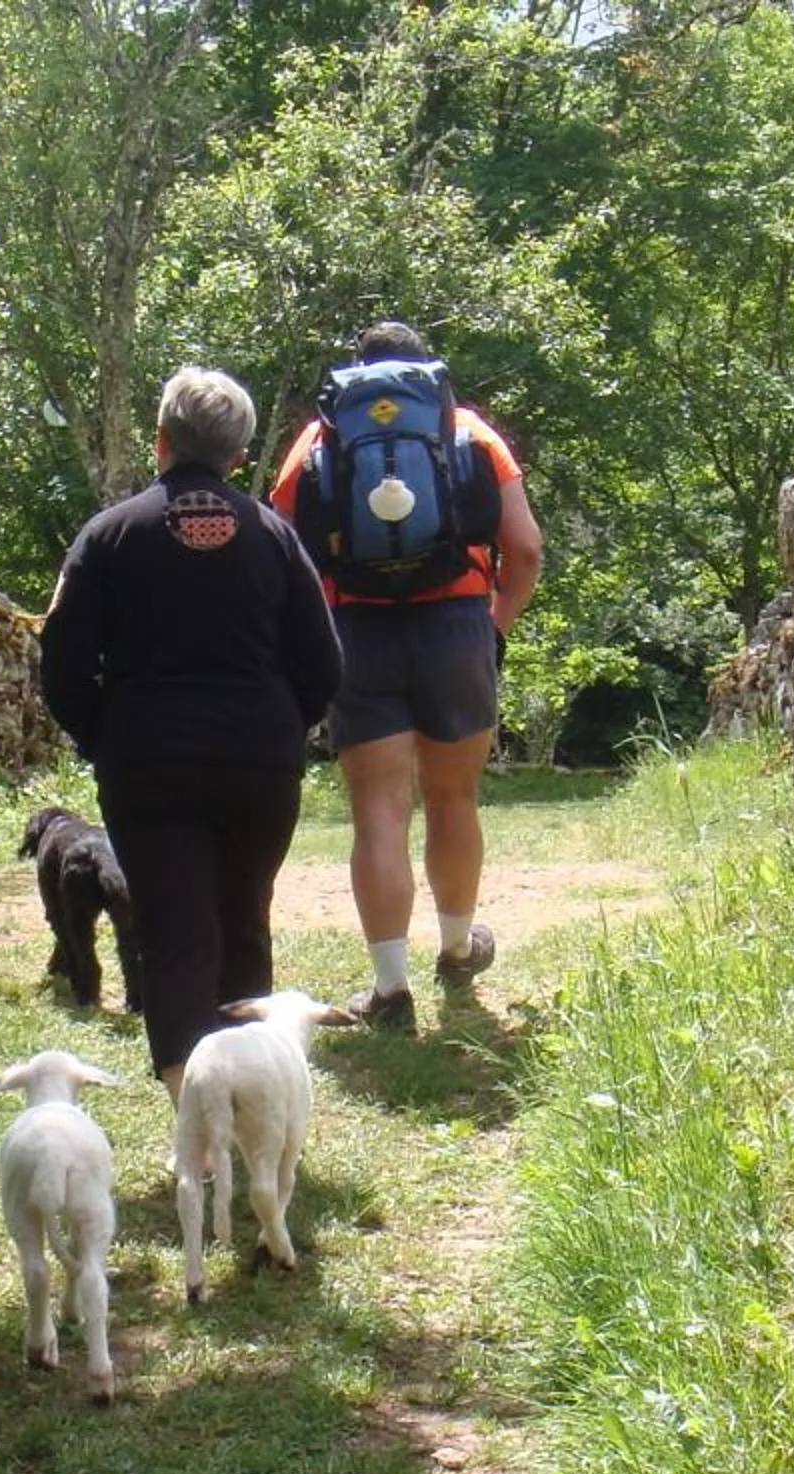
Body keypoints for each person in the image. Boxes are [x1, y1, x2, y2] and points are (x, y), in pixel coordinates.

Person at [39, 366, 343, 1099]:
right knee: (244, 922)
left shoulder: (109, 535)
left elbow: (63, 662)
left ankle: (190, 1107)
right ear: (239, 455)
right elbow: (324, 663)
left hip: (147, 760)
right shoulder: (275, 537)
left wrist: (105, 734)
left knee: (172, 930)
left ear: (161, 441)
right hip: (259, 762)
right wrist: (280, 731)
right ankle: (247, 1102)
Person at [270, 321, 545, 1035]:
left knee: (379, 811)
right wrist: (495, 625)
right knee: (454, 798)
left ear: (354, 373)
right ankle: (455, 950)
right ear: (429, 370)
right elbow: (525, 548)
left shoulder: (321, 439)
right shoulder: (470, 432)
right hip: (456, 624)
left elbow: (283, 552)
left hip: (358, 632)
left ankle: (390, 990)